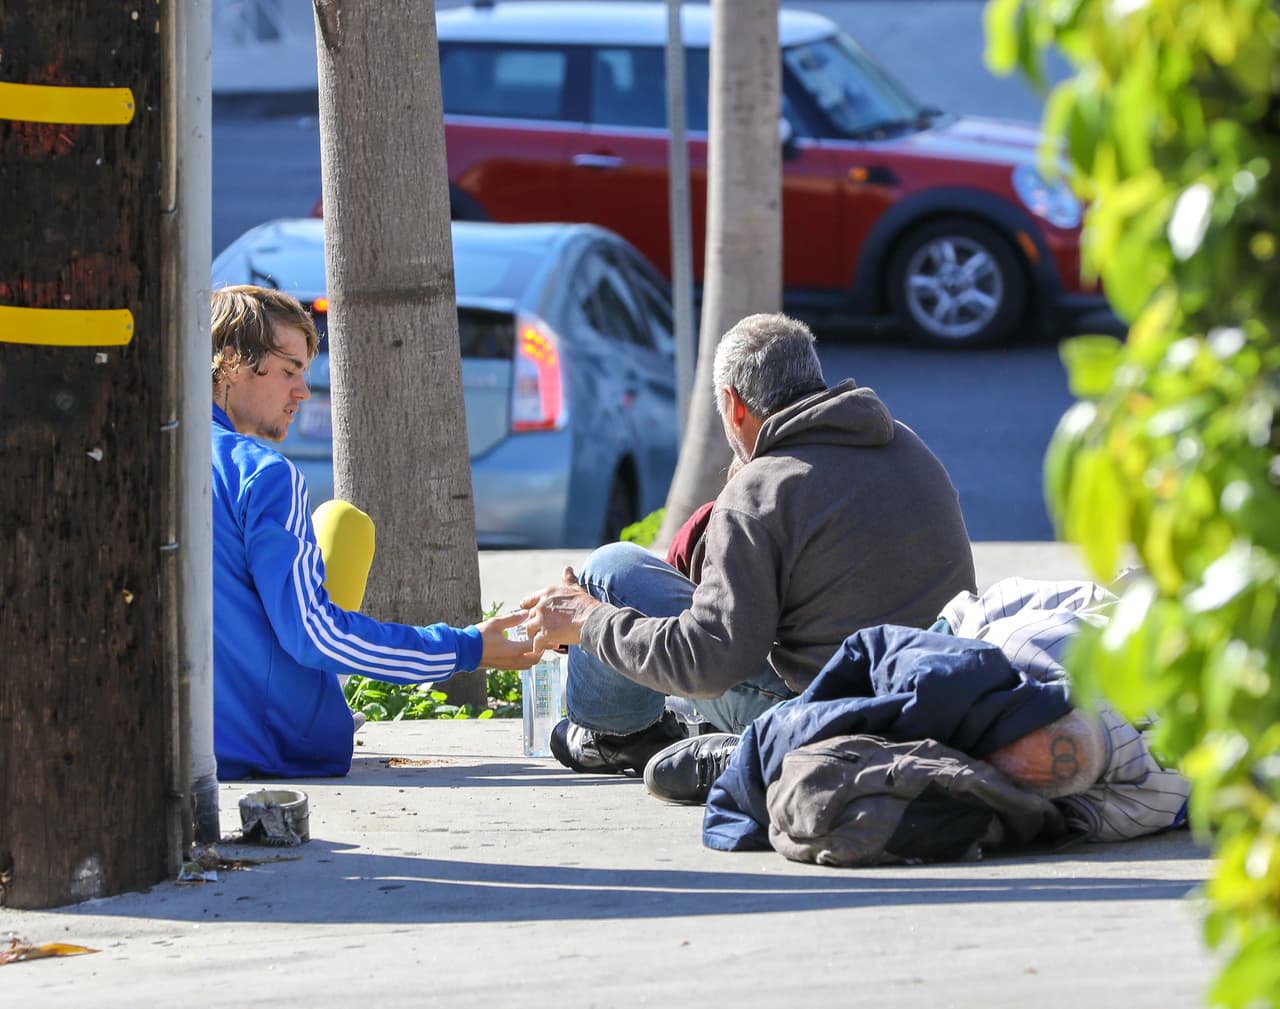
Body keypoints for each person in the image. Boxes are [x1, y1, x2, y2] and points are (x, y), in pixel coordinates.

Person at [520, 312, 977, 799]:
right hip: (934, 701)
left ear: (733, 404)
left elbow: (709, 661)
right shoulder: (906, 444)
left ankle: (611, 736)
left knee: (610, 571)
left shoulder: (760, 491)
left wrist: (588, 621)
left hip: (820, 715)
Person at [210, 284, 533, 780]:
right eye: (290, 371)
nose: (302, 391)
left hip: (160, 745)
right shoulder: (262, 474)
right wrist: (465, 647)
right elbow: (314, 636)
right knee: (343, 526)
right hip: (265, 748)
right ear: (230, 361)